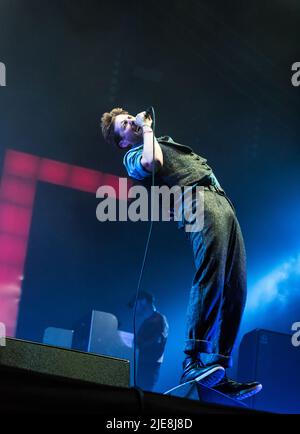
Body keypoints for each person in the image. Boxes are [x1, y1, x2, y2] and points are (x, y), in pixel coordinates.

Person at [101, 108, 262, 400]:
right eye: (123, 125)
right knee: (210, 272)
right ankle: (192, 359)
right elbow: (153, 161)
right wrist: (146, 129)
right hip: (199, 201)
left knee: (235, 287)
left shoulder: (158, 140)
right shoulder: (134, 155)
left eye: (128, 117)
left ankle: (219, 367)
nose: (130, 122)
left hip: (220, 202)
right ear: (122, 142)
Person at [128, 291, 169, 391]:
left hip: (148, 370)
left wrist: (137, 345)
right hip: (143, 368)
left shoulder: (158, 319)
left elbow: (157, 342)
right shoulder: (149, 320)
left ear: (143, 302)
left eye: (135, 304)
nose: (134, 308)